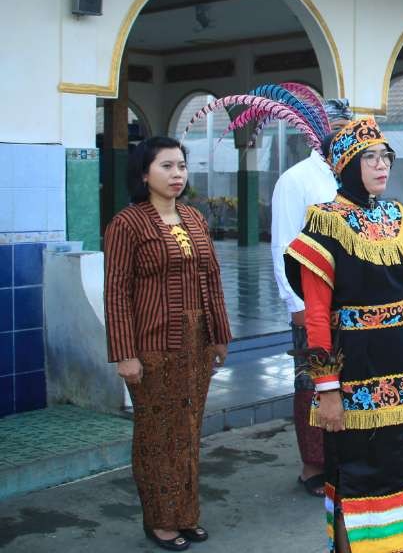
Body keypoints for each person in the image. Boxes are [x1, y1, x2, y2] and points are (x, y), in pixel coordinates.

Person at [284, 117, 403, 553]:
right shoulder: (325, 222)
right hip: (353, 372)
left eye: (385, 156)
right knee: (354, 471)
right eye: (369, 157)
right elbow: (316, 315)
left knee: (399, 465)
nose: (381, 165)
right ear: (347, 165)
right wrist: (326, 389)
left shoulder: (396, 216)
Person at [105, 136, 232, 551]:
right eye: (166, 167)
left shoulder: (195, 218)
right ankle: (160, 520)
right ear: (144, 174)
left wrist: (219, 336)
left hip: (196, 344)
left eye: (181, 166)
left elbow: (212, 279)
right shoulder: (128, 224)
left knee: (189, 429)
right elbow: (117, 293)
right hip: (153, 346)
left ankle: (186, 514)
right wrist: (125, 353)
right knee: (157, 434)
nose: (177, 174)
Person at [270, 96, 353, 497]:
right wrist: (296, 304)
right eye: (335, 130)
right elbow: (283, 244)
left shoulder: (352, 176)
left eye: (345, 131)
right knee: (312, 381)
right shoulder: (297, 179)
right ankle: (312, 464)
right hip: (311, 302)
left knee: (347, 379)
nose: (340, 138)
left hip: (350, 302)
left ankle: (342, 456)